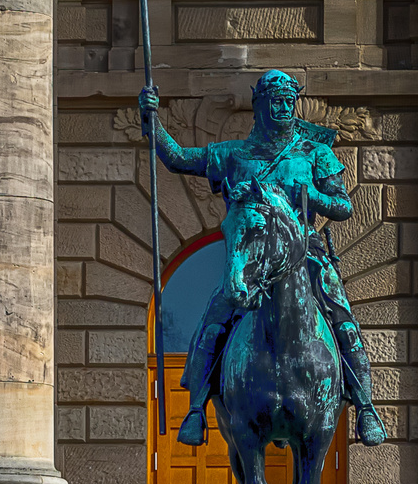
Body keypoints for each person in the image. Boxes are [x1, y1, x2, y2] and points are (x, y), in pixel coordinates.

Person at [139, 69, 386, 448]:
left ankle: (366, 406)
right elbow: (177, 159)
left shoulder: (315, 154)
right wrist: (152, 120)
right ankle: (195, 408)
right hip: (252, 261)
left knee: (342, 317)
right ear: (260, 105)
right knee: (214, 317)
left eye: (290, 99)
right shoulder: (234, 155)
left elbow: (344, 206)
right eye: (276, 100)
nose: (285, 106)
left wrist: (315, 198)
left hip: (305, 256)